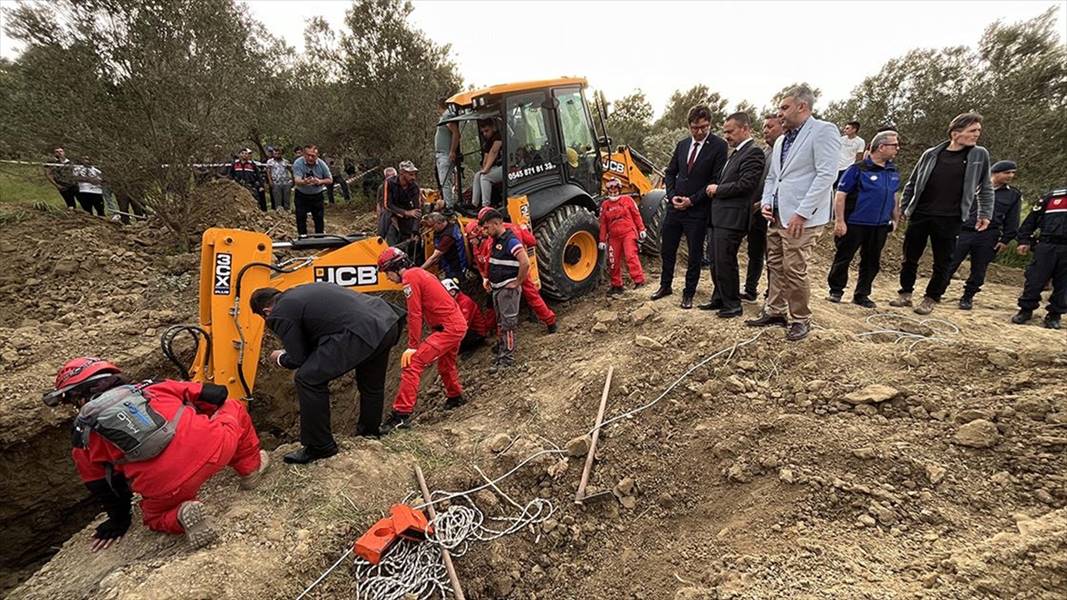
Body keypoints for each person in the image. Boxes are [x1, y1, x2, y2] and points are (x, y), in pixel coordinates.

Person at [44, 357, 268, 550]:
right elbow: (217, 394)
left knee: (154, 517)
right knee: (233, 406)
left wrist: (118, 522)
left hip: (168, 486)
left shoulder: (82, 436)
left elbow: (103, 487)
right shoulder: (152, 387)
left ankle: (180, 515)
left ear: (76, 397)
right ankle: (250, 470)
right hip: (217, 449)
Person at [251, 283, 401, 461]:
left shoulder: (280, 312)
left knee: (307, 379)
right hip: (386, 321)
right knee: (372, 384)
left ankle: (320, 446)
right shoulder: (301, 293)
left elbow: (298, 359)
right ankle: (369, 432)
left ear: (267, 311)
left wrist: (279, 358)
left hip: (359, 330)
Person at [746, 85, 841, 341]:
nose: (780, 114)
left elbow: (826, 175)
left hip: (802, 218)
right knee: (775, 264)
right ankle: (775, 310)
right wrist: (767, 202)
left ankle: (800, 318)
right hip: (777, 214)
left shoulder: (823, 131)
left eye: (784, 107)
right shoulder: (781, 141)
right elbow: (774, 177)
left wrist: (802, 212)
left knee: (794, 267)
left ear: (802, 106)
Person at [891, 113, 994, 315]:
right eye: (973, 130)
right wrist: (905, 207)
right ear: (955, 133)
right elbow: (913, 182)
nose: (977, 135)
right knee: (909, 257)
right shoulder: (931, 154)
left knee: (943, 261)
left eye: (978, 131)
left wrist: (985, 213)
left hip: (950, 217)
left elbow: (986, 187)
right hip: (921, 213)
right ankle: (905, 293)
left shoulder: (979, 155)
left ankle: (931, 298)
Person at [377, 248, 467, 432]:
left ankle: (401, 415)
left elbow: (415, 313)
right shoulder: (420, 273)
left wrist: (412, 346)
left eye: (387, 272)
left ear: (394, 268)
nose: (387, 277)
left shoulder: (410, 278)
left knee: (413, 363)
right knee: (446, 365)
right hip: (454, 325)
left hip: (449, 328)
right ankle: (455, 396)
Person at [652, 105, 729, 309]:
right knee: (668, 249)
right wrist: (672, 196)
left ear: (710, 124)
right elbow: (670, 172)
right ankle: (665, 285)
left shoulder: (719, 146)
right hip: (675, 209)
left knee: (694, 255)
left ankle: (688, 293)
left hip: (697, 210)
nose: (700, 132)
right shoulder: (683, 144)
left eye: (704, 127)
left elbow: (715, 180)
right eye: (695, 127)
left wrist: (692, 200)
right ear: (689, 126)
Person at [700, 112, 766, 317]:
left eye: (730, 131)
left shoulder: (753, 153)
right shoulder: (736, 153)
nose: (726, 136)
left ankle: (732, 304)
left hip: (732, 218)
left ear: (745, 129)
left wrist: (717, 189)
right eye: (725, 132)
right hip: (719, 216)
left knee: (725, 260)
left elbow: (746, 185)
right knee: (716, 259)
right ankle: (719, 297)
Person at [826, 130, 902, 308]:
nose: (897, 148)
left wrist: (895, 218)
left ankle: (862, 294)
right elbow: (841, 195)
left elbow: (894, 197)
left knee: (871, 261)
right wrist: (839, 221)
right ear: (881, 147)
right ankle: (836, 291)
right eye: (894, 145)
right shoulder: (857, 169)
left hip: (880, 225)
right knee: (844, 257)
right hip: (855, 223)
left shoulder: (893, 171)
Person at [948, 160, 1022, 309]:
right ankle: (936, 291)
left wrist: (1006, 239)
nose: (1011, 176)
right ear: (994, 172)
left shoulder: (1012, 195)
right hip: (964, 231)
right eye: (1007, 172)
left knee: (979, 269)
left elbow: (1013, 219)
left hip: (988, 235)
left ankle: (968, 297)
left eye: (1013, 173)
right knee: (949, 263)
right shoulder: (973, 186)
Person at [473, 206, 557, 332]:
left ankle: (493, 331)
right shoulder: (513, 228)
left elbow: (488, 258)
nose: (483, 229)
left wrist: (486, 276)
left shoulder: (492, 237)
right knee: (533, 296)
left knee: (496, 304)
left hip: (507, 274)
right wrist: (525, 230)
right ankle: (550, 321)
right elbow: (532, 241)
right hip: (519, 270)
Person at [479, 209, 530, 372]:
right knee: (501, 322)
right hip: (498, 288)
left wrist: (517, 282)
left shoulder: (511, 241)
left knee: (507, 324)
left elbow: (525, 262)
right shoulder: (495, 240)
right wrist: (488, 279)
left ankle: (507, 359)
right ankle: (502, 353)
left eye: (487, 227)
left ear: (496, 223)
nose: (485, 231)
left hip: (507, 289)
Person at [1012, 187, 1067, 330]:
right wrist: (1024, 240)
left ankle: (1054, 315)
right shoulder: (1052, 197)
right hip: (1047, 245)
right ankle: (1025, 310)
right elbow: (1031, 220)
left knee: (1064, 285)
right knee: (1035, 280)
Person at [742, 115, 784, 302]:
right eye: (764, 126)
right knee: (755, 252)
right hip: (756, 212)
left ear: (782, 127)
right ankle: (750, 290)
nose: (765, 130)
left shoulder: (786, 153)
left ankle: (772, 294)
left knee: (773, 257)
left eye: (770, 126)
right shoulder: (764, 152)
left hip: (774, 213)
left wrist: (764, 203)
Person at [598, 178, 648, 294]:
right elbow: (603, 224)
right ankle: (617, 285)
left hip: (628, 233)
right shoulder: (605, 205)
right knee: (613, 260)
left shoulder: (628, 200)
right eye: (610, 193)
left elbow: (636, 215)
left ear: (619, 191)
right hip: (614, 237)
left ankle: (639, 281)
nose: (613, 195)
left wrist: (641, 229)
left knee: (631, 256)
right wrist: (602, 240)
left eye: (615, 193)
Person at [442, 278, 496, 355]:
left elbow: (463, 324)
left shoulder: (465, 302)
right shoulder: (454, 302)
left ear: (452, 291)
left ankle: (475, 345)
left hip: (476, 332)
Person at [292, 145, 333, 236]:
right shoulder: (298, 163)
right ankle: (302, 238)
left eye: (313, 156)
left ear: (317, 155)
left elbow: (330, 180)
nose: (310, 158)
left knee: (319, 218)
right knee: (300, 217)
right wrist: (304, 181)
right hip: (301, 195)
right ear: (303, 154)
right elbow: (297, 180)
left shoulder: (322, 164)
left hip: (317, 195)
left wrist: (320, 181)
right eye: (308, 155)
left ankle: (319, 237)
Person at [380, 161, 421, 246]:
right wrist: (405, 212)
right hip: (391, 215)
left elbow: (417, 210)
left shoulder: (414, 187)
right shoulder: (389, 182)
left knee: (411, 242)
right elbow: (387, 204)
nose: (413, 177)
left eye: (414, 174)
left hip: (406, 218)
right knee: (388, 240)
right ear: (402, 173)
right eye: (410, 175)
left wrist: (415, 230)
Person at [422, 212, 469, 281]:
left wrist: (419, 269)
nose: (431, 229)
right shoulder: (447, 226)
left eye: (432, 226)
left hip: (455, 269)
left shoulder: (448, 236)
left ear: (439, 223)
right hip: (447, 264)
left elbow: (434, 257)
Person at [435, 98, 461, 209]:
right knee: (443, 181)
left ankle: (449, 207)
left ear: (439, 106)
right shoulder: (444, 117)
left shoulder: (447, 116)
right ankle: (448, 203)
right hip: (441, 154)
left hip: (445, 154)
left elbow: (456, 133)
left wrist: (452, 151)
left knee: (445, 181)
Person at [473, 119, 503, 208]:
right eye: (483, 132)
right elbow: (486, 157)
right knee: (477, 175)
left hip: (506, 167)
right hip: (496, 167)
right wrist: (484, 168)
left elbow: (494, 152)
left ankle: (485, 205)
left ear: (493, 127)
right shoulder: (488, 141)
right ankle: (474, 204)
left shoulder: (498, 137)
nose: (485, 134)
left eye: (487, 131)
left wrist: (486, 169)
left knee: (485, 177)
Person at [836, 121, 866, 187]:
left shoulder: (860, 141)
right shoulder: (841, 139)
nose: (845, 130)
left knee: (843, 187)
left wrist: (854, 169)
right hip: (837, 167)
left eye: (847, 128)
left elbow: (859, 156)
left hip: (848, 168)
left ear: (854, 130)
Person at [265, 146, 293, 212]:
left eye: (278, 153)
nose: (277, 155)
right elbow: (268, 172)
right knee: (277, 200)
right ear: (273, 154)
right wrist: (270, 181)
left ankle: (287, 212)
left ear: (281, 153)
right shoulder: (270, 162)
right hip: (276, 183)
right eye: (275, 153)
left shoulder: (286, 161)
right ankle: (279, 213)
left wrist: (293, 180)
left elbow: (291, 170)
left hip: (286, 182)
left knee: (286, 200)